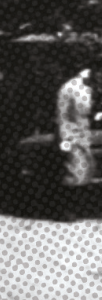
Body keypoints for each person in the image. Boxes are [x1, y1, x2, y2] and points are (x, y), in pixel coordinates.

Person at [56, 67, 96, 222]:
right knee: (74, 171)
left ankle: (81, 207)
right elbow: (62, 115)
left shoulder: (91, 86)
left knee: (86, 170)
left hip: (85, 133)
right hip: (71, 133)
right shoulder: (71, 88)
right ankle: (67, 209)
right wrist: (66, 139)